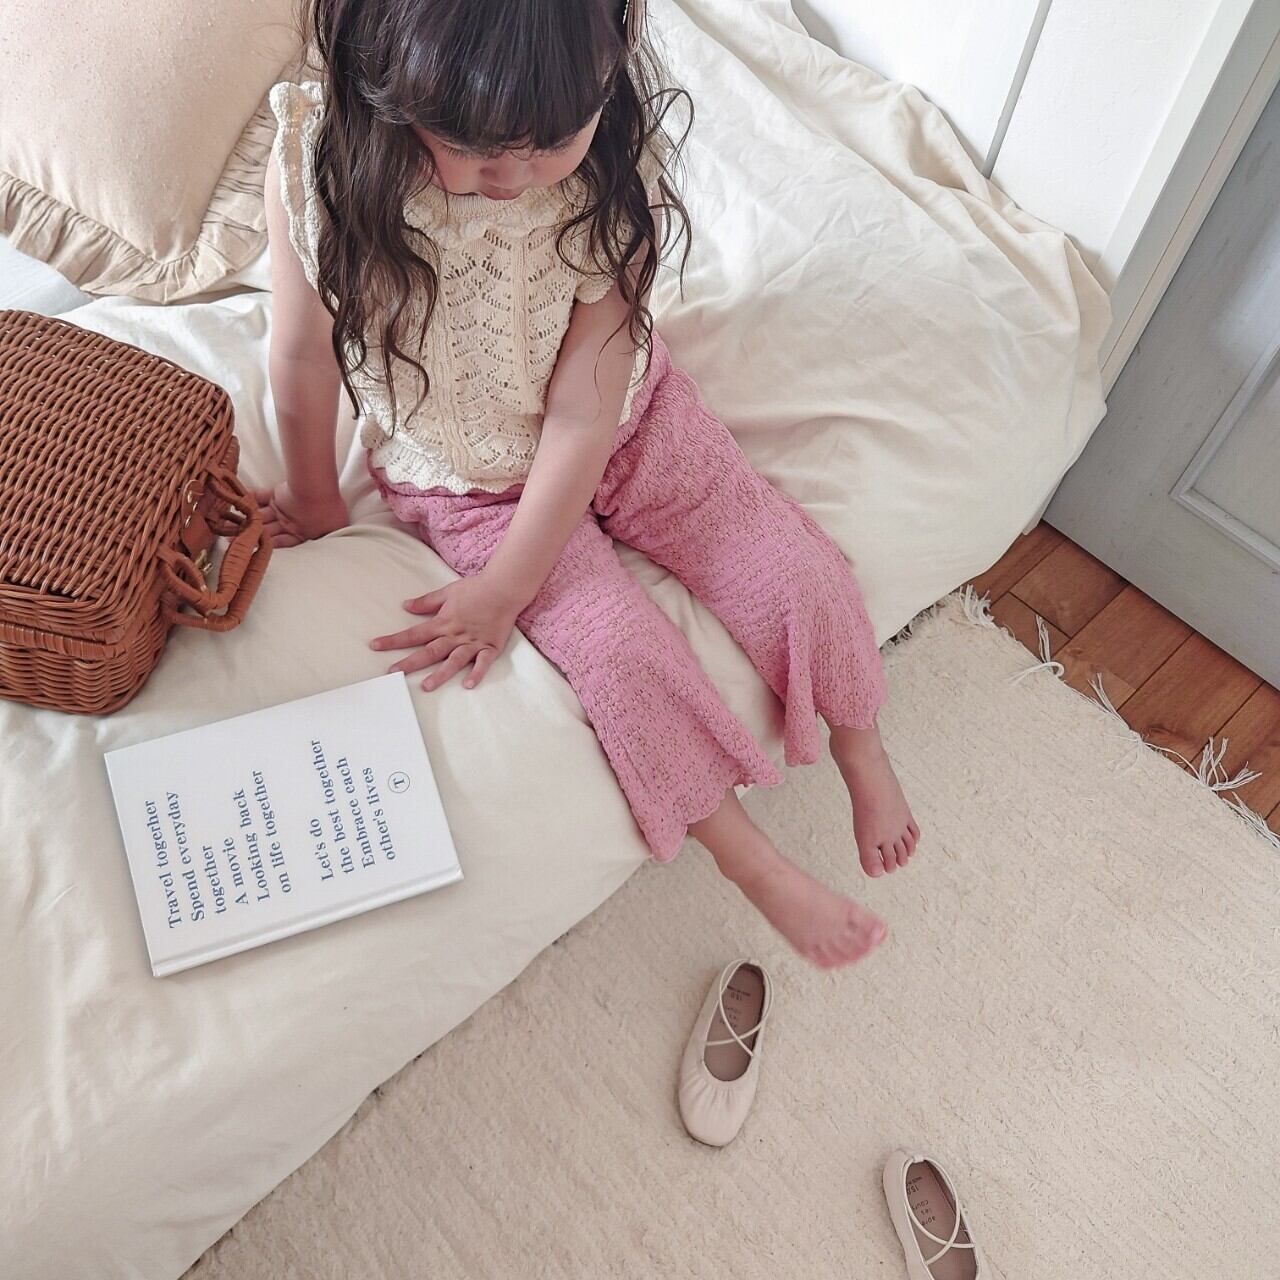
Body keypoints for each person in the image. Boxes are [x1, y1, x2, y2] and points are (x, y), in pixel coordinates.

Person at [254, 0, 919, 969]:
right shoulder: (319, 171)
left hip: (628, 421)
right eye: (474, 151)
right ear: (386, 80)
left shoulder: (608, 169)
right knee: (617, 657)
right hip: (468, 481)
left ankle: (861, 740)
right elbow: (301, 354)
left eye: (548, 143)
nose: (514, 176)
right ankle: (752, 863)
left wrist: (506, 590)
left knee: (789, 566)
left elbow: (583, 412)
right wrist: (316, 499)